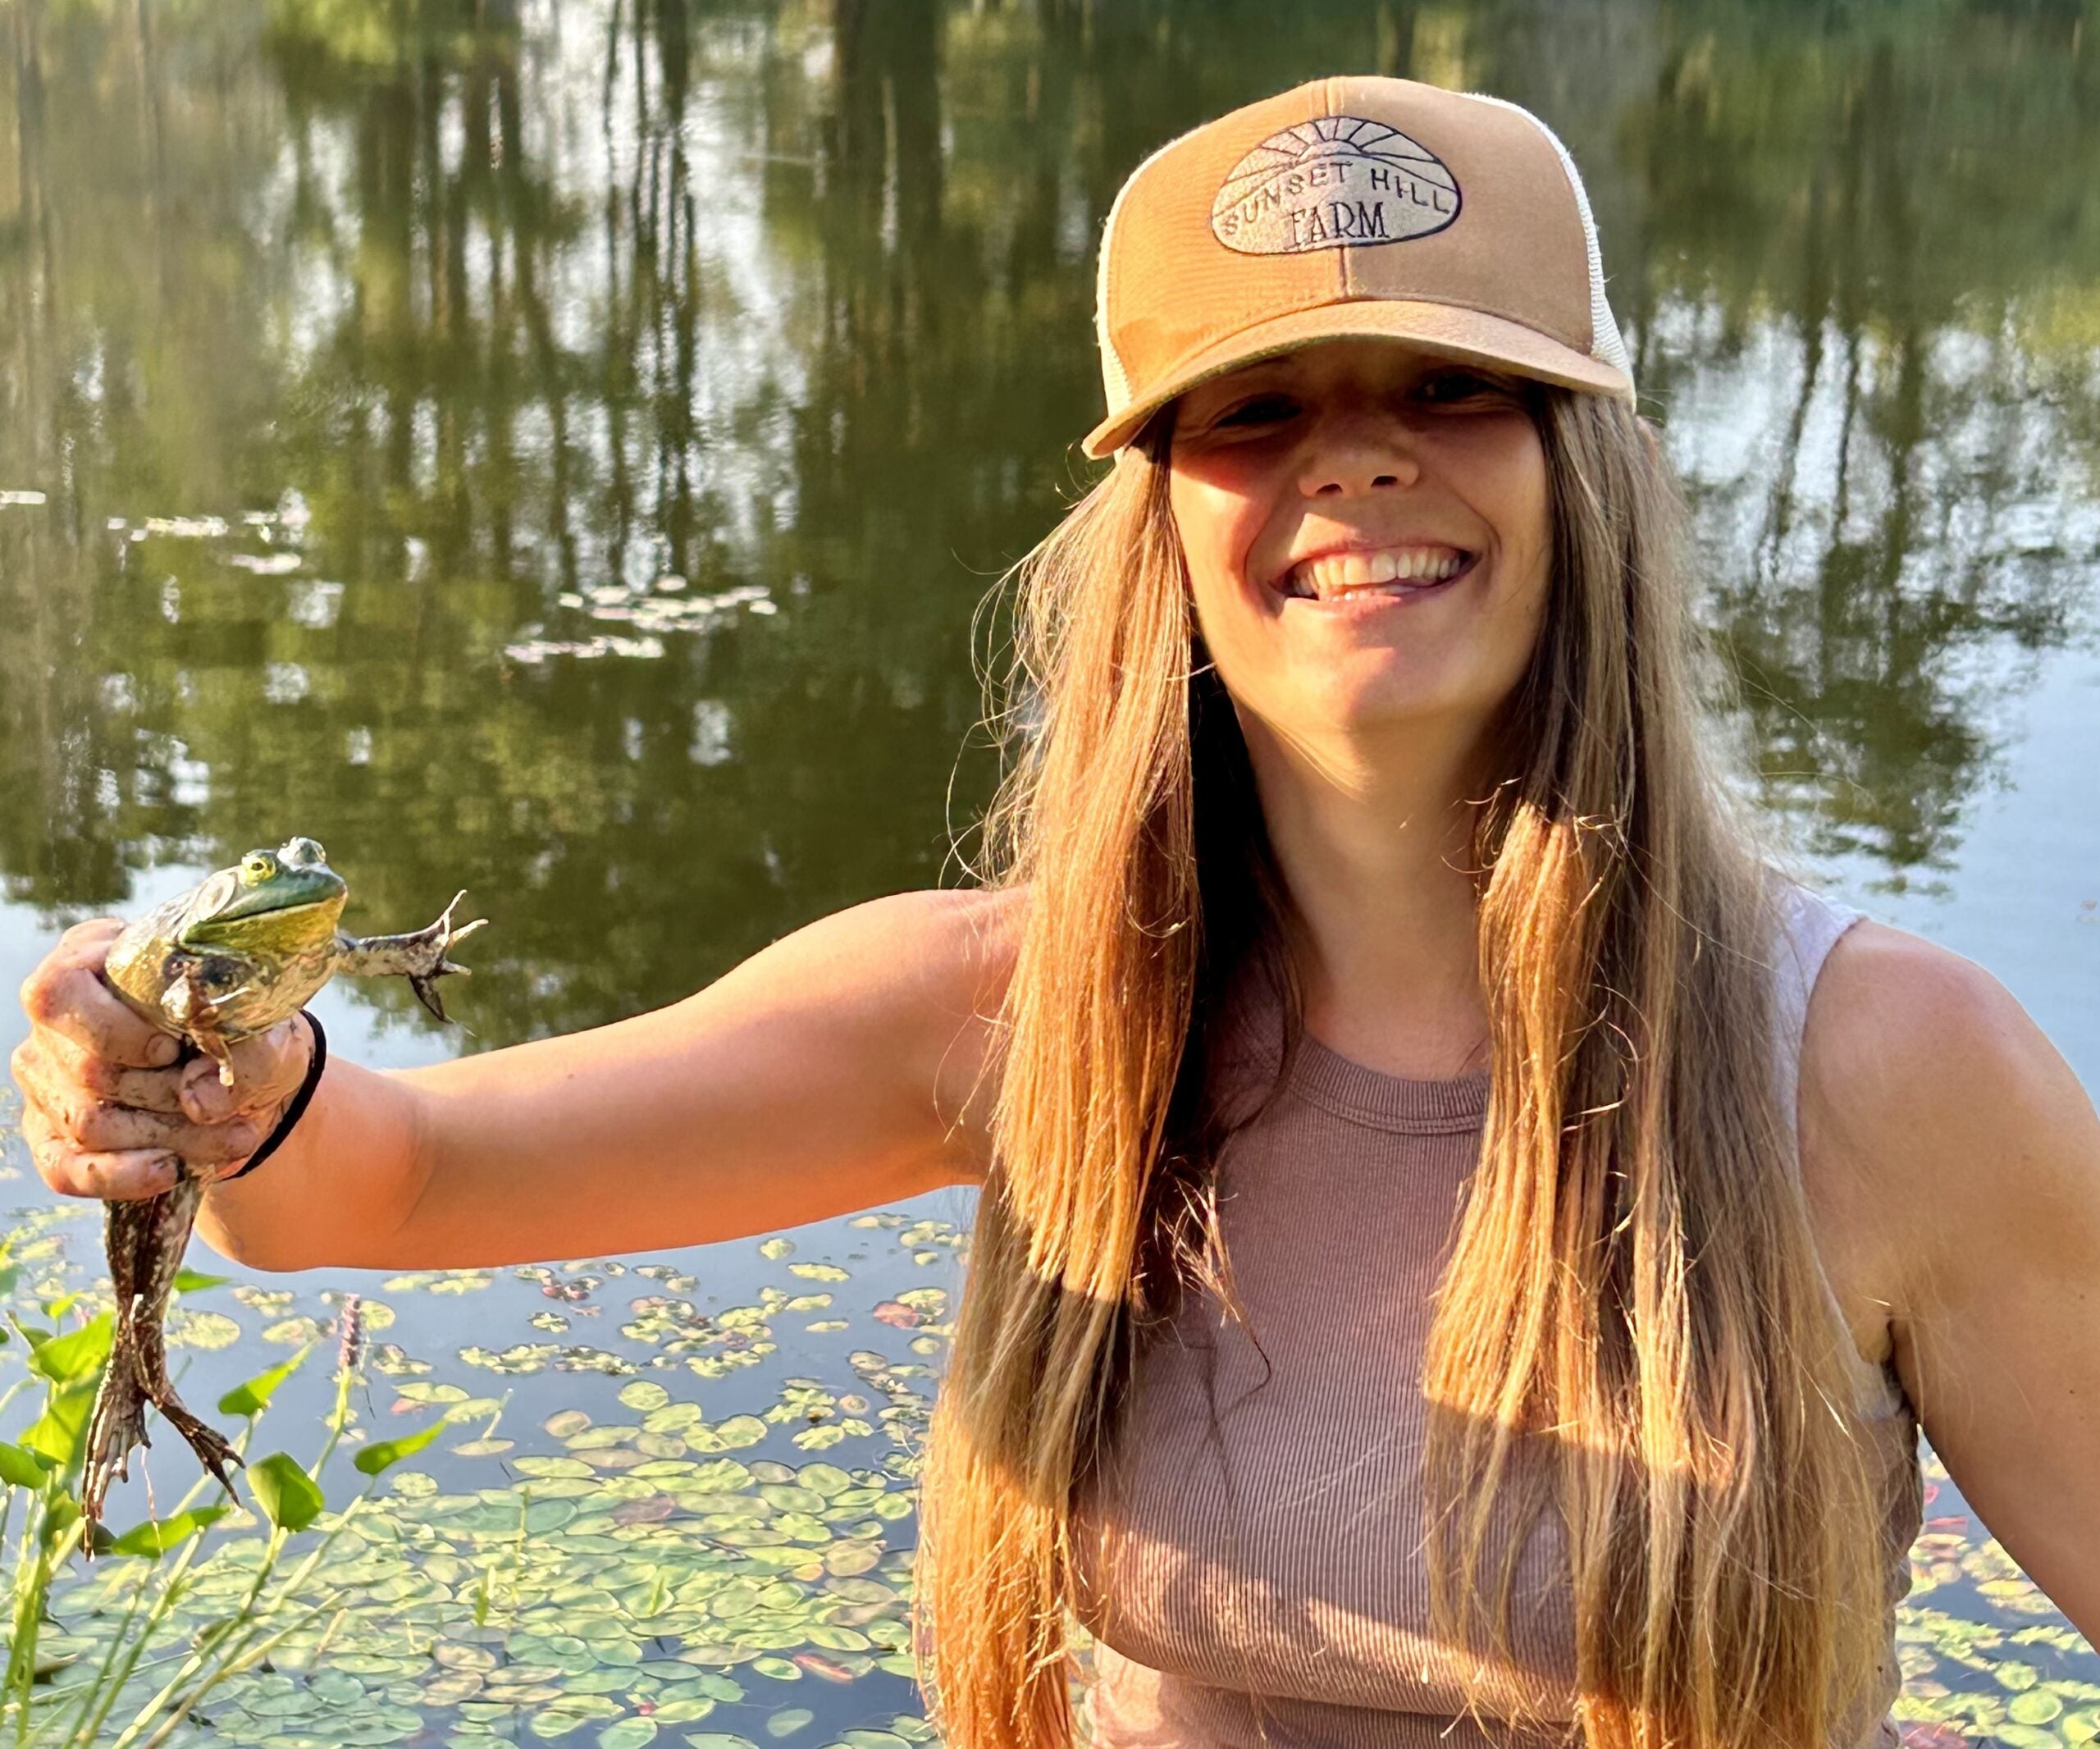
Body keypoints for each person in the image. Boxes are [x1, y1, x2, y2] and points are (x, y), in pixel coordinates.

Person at [13, 74, 2099, 1749]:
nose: (1354, 466)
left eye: (1449, 391)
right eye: (1255, 412)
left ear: (1587, 472)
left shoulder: (1875, 1066)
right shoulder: (1001, 1010)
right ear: (1160, 523)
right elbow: (395, 1176)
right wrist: (215, 1077)